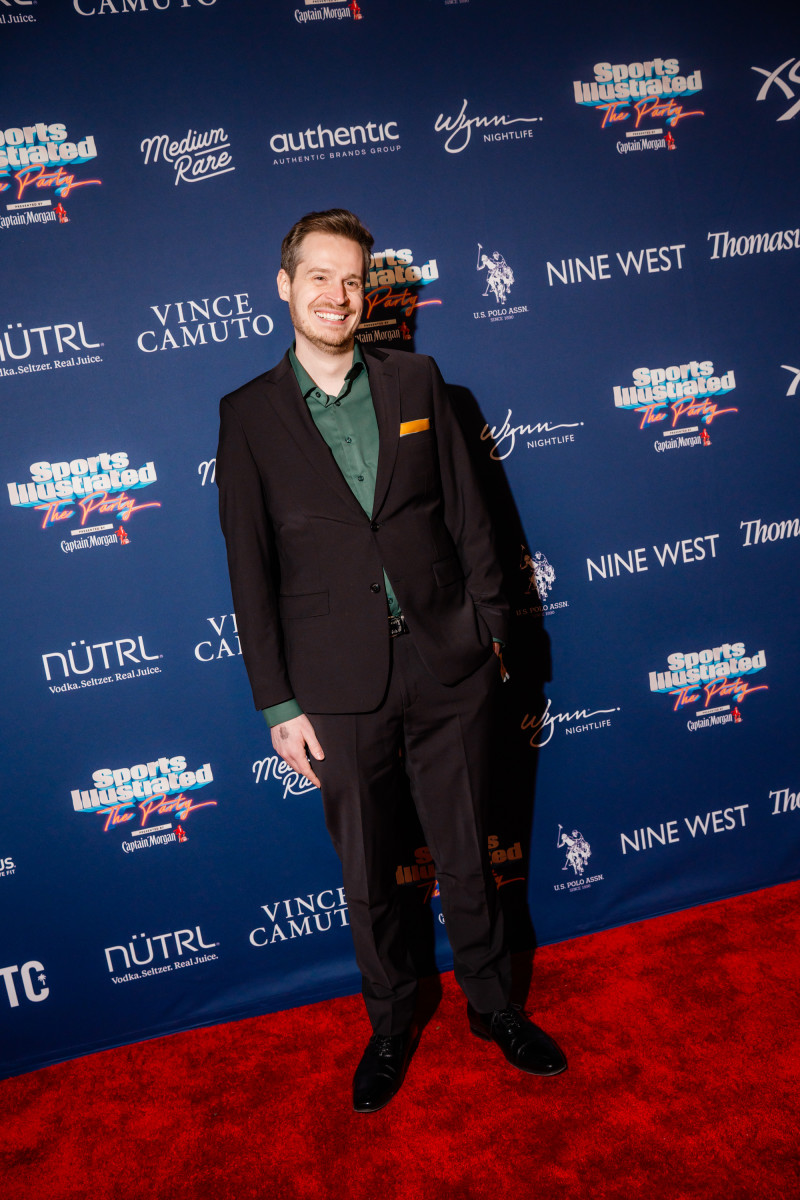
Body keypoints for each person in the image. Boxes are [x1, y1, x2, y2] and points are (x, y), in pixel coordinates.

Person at [216, 209, 566, 1112]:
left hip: (449, 665)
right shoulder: (247, 415)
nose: (339, 296)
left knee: (469, 855)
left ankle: (495, 1007)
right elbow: (248, 571)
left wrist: (494, 633)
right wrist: (275, 704)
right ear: (285, 285)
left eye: (354, 281)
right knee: (370, 874)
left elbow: (472, 517)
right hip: (337, 687)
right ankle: (390, 1023)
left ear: (370, 295)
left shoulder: (417, 380)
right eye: (321, 278)